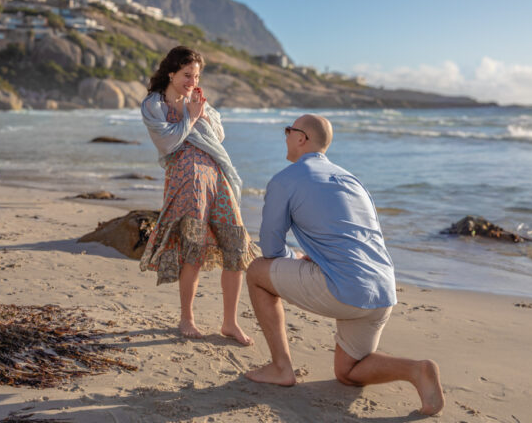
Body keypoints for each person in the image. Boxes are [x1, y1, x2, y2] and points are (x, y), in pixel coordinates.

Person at [244, 114, 445, 416]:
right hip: (382, 290)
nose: (285, 135)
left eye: (289, 130)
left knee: (257, 271)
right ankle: (417, 370)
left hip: (344, 290)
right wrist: (317, 256)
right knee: (348, 372)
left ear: (302, 138)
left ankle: (281, 367)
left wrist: (297, 258)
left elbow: (271, 249)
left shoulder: (285, 179)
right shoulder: (352, 180)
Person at [140, 45, 259, 345]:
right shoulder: (154, 104)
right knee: (193, 247)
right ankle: (187, 318)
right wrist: (190, 118)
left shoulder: (198, 101)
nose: (192, 81)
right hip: (186, 178)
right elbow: (168, 143)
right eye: (186, 75)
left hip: (217, 175)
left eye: (196, 76)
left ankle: (230, 322)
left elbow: (217, 136)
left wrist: (200, 112)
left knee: (235, 245)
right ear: (171, 72)